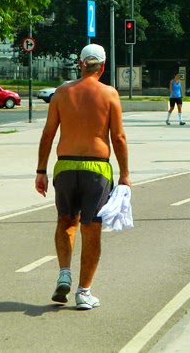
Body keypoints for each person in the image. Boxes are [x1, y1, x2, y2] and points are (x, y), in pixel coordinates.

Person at [35, 43, 130, 310]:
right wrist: (125, 174)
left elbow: (48, 134)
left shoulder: (62, 93)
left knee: (66, 221)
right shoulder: (109, 94)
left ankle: (64, 271)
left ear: (80, 64)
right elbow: (118, 137)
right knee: (91, 227)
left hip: (64, 166)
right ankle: (83, 292)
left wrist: (41, 170)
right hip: (96, 168)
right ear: (102, 67)